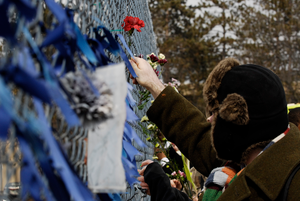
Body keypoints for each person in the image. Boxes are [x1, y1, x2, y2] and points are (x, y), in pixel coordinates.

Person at [129, 57, 300, 201]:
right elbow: (198, 138)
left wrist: (162, 189)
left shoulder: (289, 189)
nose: (209, 119)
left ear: (239, 120)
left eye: (217, 113)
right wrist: (153, 84)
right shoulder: (257, 157)